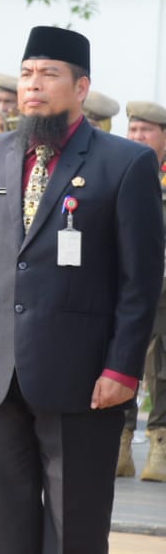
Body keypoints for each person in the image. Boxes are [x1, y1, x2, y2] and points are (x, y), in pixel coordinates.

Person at [0, 26, 164, 554]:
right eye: (26, 74)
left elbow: (141, 283)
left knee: (75, 529)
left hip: (82, 381)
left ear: (81, 87)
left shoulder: (124, 163)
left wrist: (122, 367)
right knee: (4, 526)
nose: (32, 85)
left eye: (48, 74)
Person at [122, 100, 166, 482]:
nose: (137, 137)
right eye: (133, 130)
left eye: (146, 131)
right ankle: (120, 444)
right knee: (122, 360)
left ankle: (159, 442)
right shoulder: (120, 170)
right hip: (123, 286)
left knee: (161, 367)